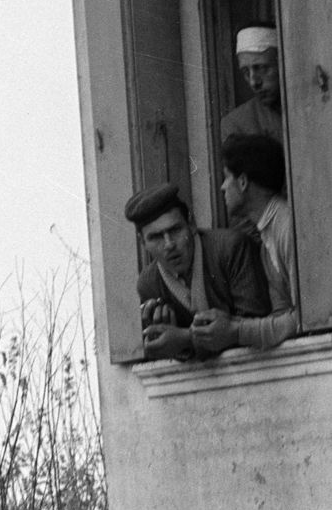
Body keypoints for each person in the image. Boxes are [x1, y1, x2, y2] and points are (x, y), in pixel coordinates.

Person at [125, 183, 270, 363]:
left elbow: (254, 326)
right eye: (155, 237)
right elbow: (170, 351)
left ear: (191, 224)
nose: (169, 244)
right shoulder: (149, 283)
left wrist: (186, 338)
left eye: (175, 230)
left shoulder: (231, 249)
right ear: (142, 242)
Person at [185, 132, 300, 353]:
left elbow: (304, 318)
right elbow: (281, 314)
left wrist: (236, 331)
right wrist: (230, 327)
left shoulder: (286, 227)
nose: (222, 187)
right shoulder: (268, 233)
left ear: (243, 181)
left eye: (226, 177)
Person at [220, 26, 284, 143]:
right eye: (246, 72)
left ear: (281, 63)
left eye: (261, 68)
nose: (254, 82)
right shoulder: (237, 124)